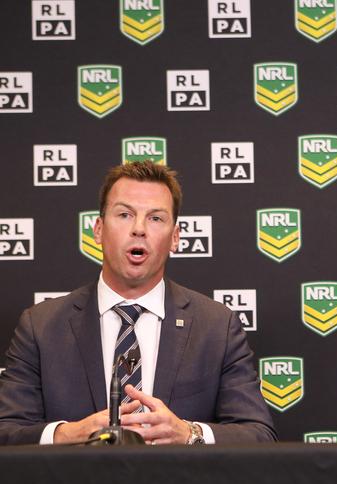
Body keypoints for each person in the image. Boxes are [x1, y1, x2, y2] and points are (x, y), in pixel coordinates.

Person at [0, 161, 276, 445]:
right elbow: (7, 431)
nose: (139, 229)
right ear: (98, 230)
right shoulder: (40, 326)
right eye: (124, 214)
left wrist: (188, 433)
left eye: (156, 218)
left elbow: (258, 435)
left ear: (176, 237)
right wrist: (70, 433)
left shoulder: (217, 327)